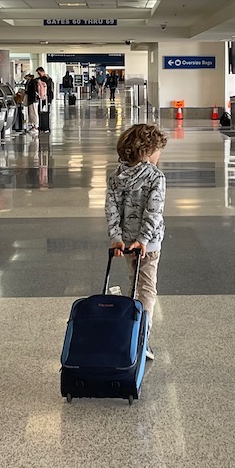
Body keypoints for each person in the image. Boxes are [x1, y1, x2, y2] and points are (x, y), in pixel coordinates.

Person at [106, 123, 167, 360]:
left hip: (125, 242)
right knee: (147, 288)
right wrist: (143, 239)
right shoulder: (155, 177)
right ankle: (141, 338)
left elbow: (111, 209)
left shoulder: (116, 176)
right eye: (158, 150)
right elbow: (154, 212)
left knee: (134, 283)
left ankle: (129, 330)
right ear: (148, 151)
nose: (159, 155)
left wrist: (116, 238)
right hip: (147, 244)